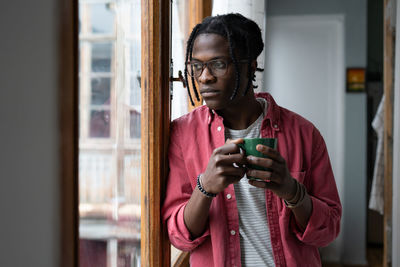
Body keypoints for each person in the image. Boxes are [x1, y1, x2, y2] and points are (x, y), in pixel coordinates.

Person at [162, 13, 341, 267]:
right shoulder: (182, 135)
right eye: (196, 66)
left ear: (251, 65)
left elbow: (330, 228)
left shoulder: (304, 134)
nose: (204, 77)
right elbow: (178, 236)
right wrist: (205, 188)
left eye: (218, 64)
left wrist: (292, 192)